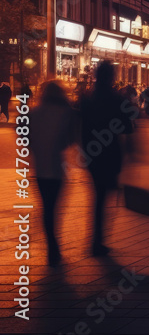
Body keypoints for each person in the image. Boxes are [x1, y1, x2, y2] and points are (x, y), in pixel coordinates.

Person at [78, 61, 133, 256]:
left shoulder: (87, 98)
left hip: (92, 154)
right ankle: (98, 240)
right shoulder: (117, 99)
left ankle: (96, 239)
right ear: (112, 77)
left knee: (98, 195)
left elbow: (78, 126)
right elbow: (128, 127)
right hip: (111, 154)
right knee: (106, 196)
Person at [30, 81, 76, 267]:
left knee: (46, 207)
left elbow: (25, 138)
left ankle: (52, 247)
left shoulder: (32, 114)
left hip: (40, 169)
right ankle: (53, 247)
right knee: (54, 208)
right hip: (57, 169)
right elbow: (70, 140)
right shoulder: (65, 113)